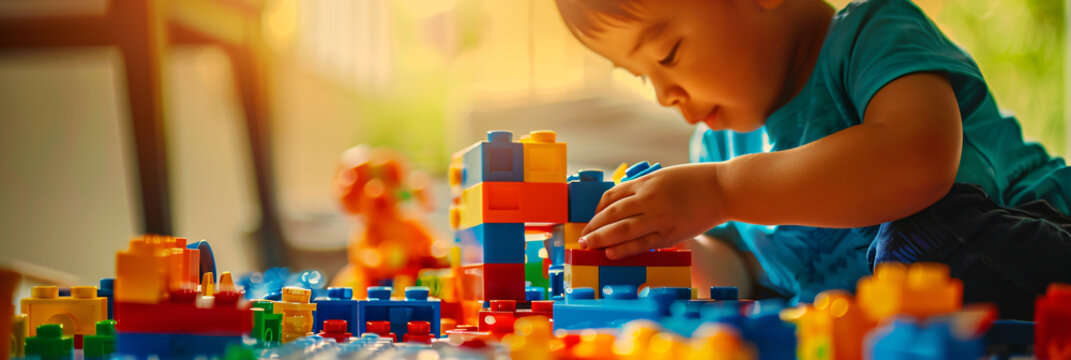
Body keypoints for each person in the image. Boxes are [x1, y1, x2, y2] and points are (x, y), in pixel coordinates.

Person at [554, 0, 1071, 320]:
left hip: (1037, 231)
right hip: (913, 320)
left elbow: (918, 159)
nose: (665, 94)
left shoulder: (872, 34)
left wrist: (720, 191)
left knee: (914, 239)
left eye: (667, 54)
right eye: (641, 76)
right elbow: (749, 272)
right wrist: (665, 242)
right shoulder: (719, 146)